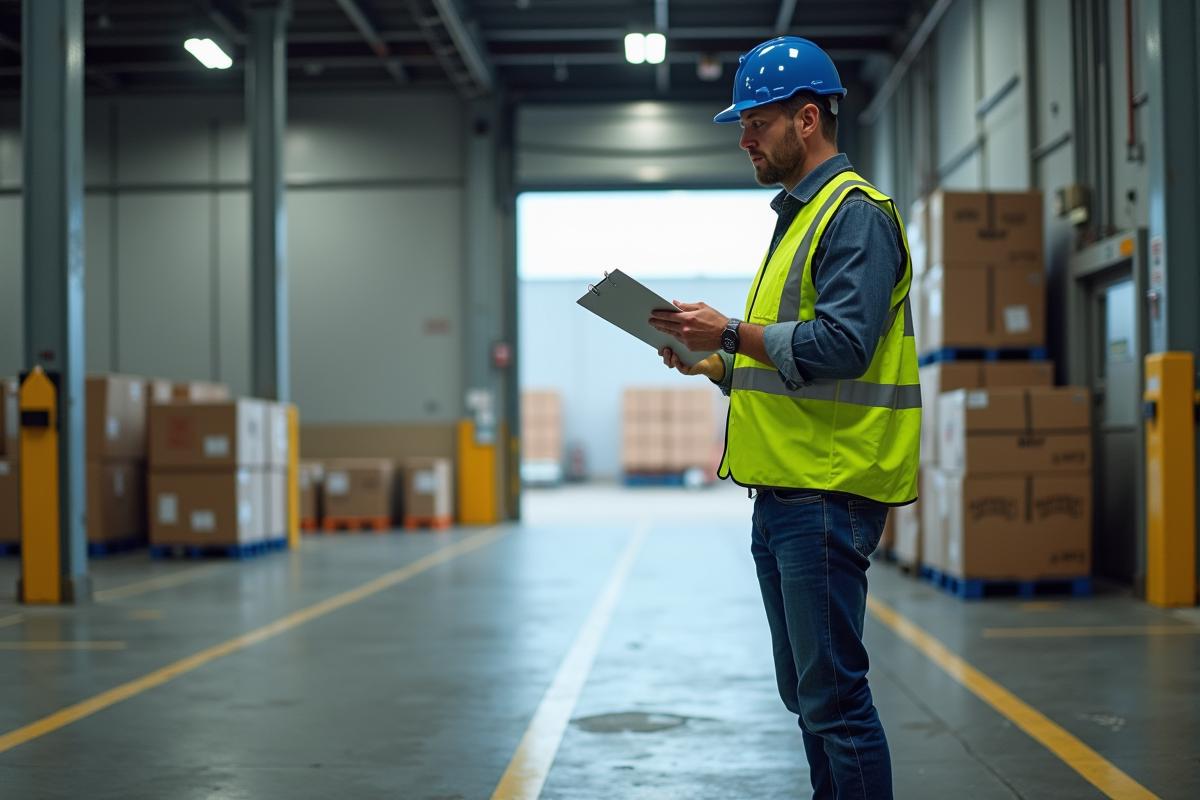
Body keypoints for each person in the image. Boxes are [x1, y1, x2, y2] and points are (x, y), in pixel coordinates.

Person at [648, 37, 920, 800]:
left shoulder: (854, 214)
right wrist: (713, 360)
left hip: (828, 494)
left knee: (835, 700)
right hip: (786, 493)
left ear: (807, 119)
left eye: (754, 124)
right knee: (808, 699)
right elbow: (785, 363)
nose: (743, 140)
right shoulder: (797, 219)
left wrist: (730, 332)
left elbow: (842, 344)